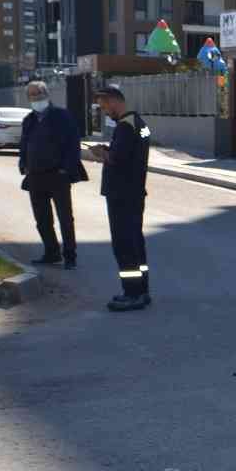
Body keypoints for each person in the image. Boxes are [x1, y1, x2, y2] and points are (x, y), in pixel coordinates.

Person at [90, 84, 152, 312]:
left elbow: (119, 158)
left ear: (115, 100)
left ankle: (132, 293)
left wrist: (102, 153)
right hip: (135, 192)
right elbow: (139, 147)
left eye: (104, 105)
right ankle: (142, 290)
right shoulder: (140, 123)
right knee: (136, 243)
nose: (104, 110)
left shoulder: (125, 127)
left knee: (124, 245)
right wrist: (111, 150)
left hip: (122, 194)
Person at [18, 80, 88, 269]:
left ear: (46, 95)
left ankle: (70, 256)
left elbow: (73, 144)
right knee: (42, 219)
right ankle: (51, 252)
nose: (36, 98)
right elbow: (24, 145)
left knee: (65, 218)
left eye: (39, 94)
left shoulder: (61, 116)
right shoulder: (29, 120)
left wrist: (66, 169)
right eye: (32, 95)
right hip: (35, 176)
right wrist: (23, 164)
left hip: (58, 175)